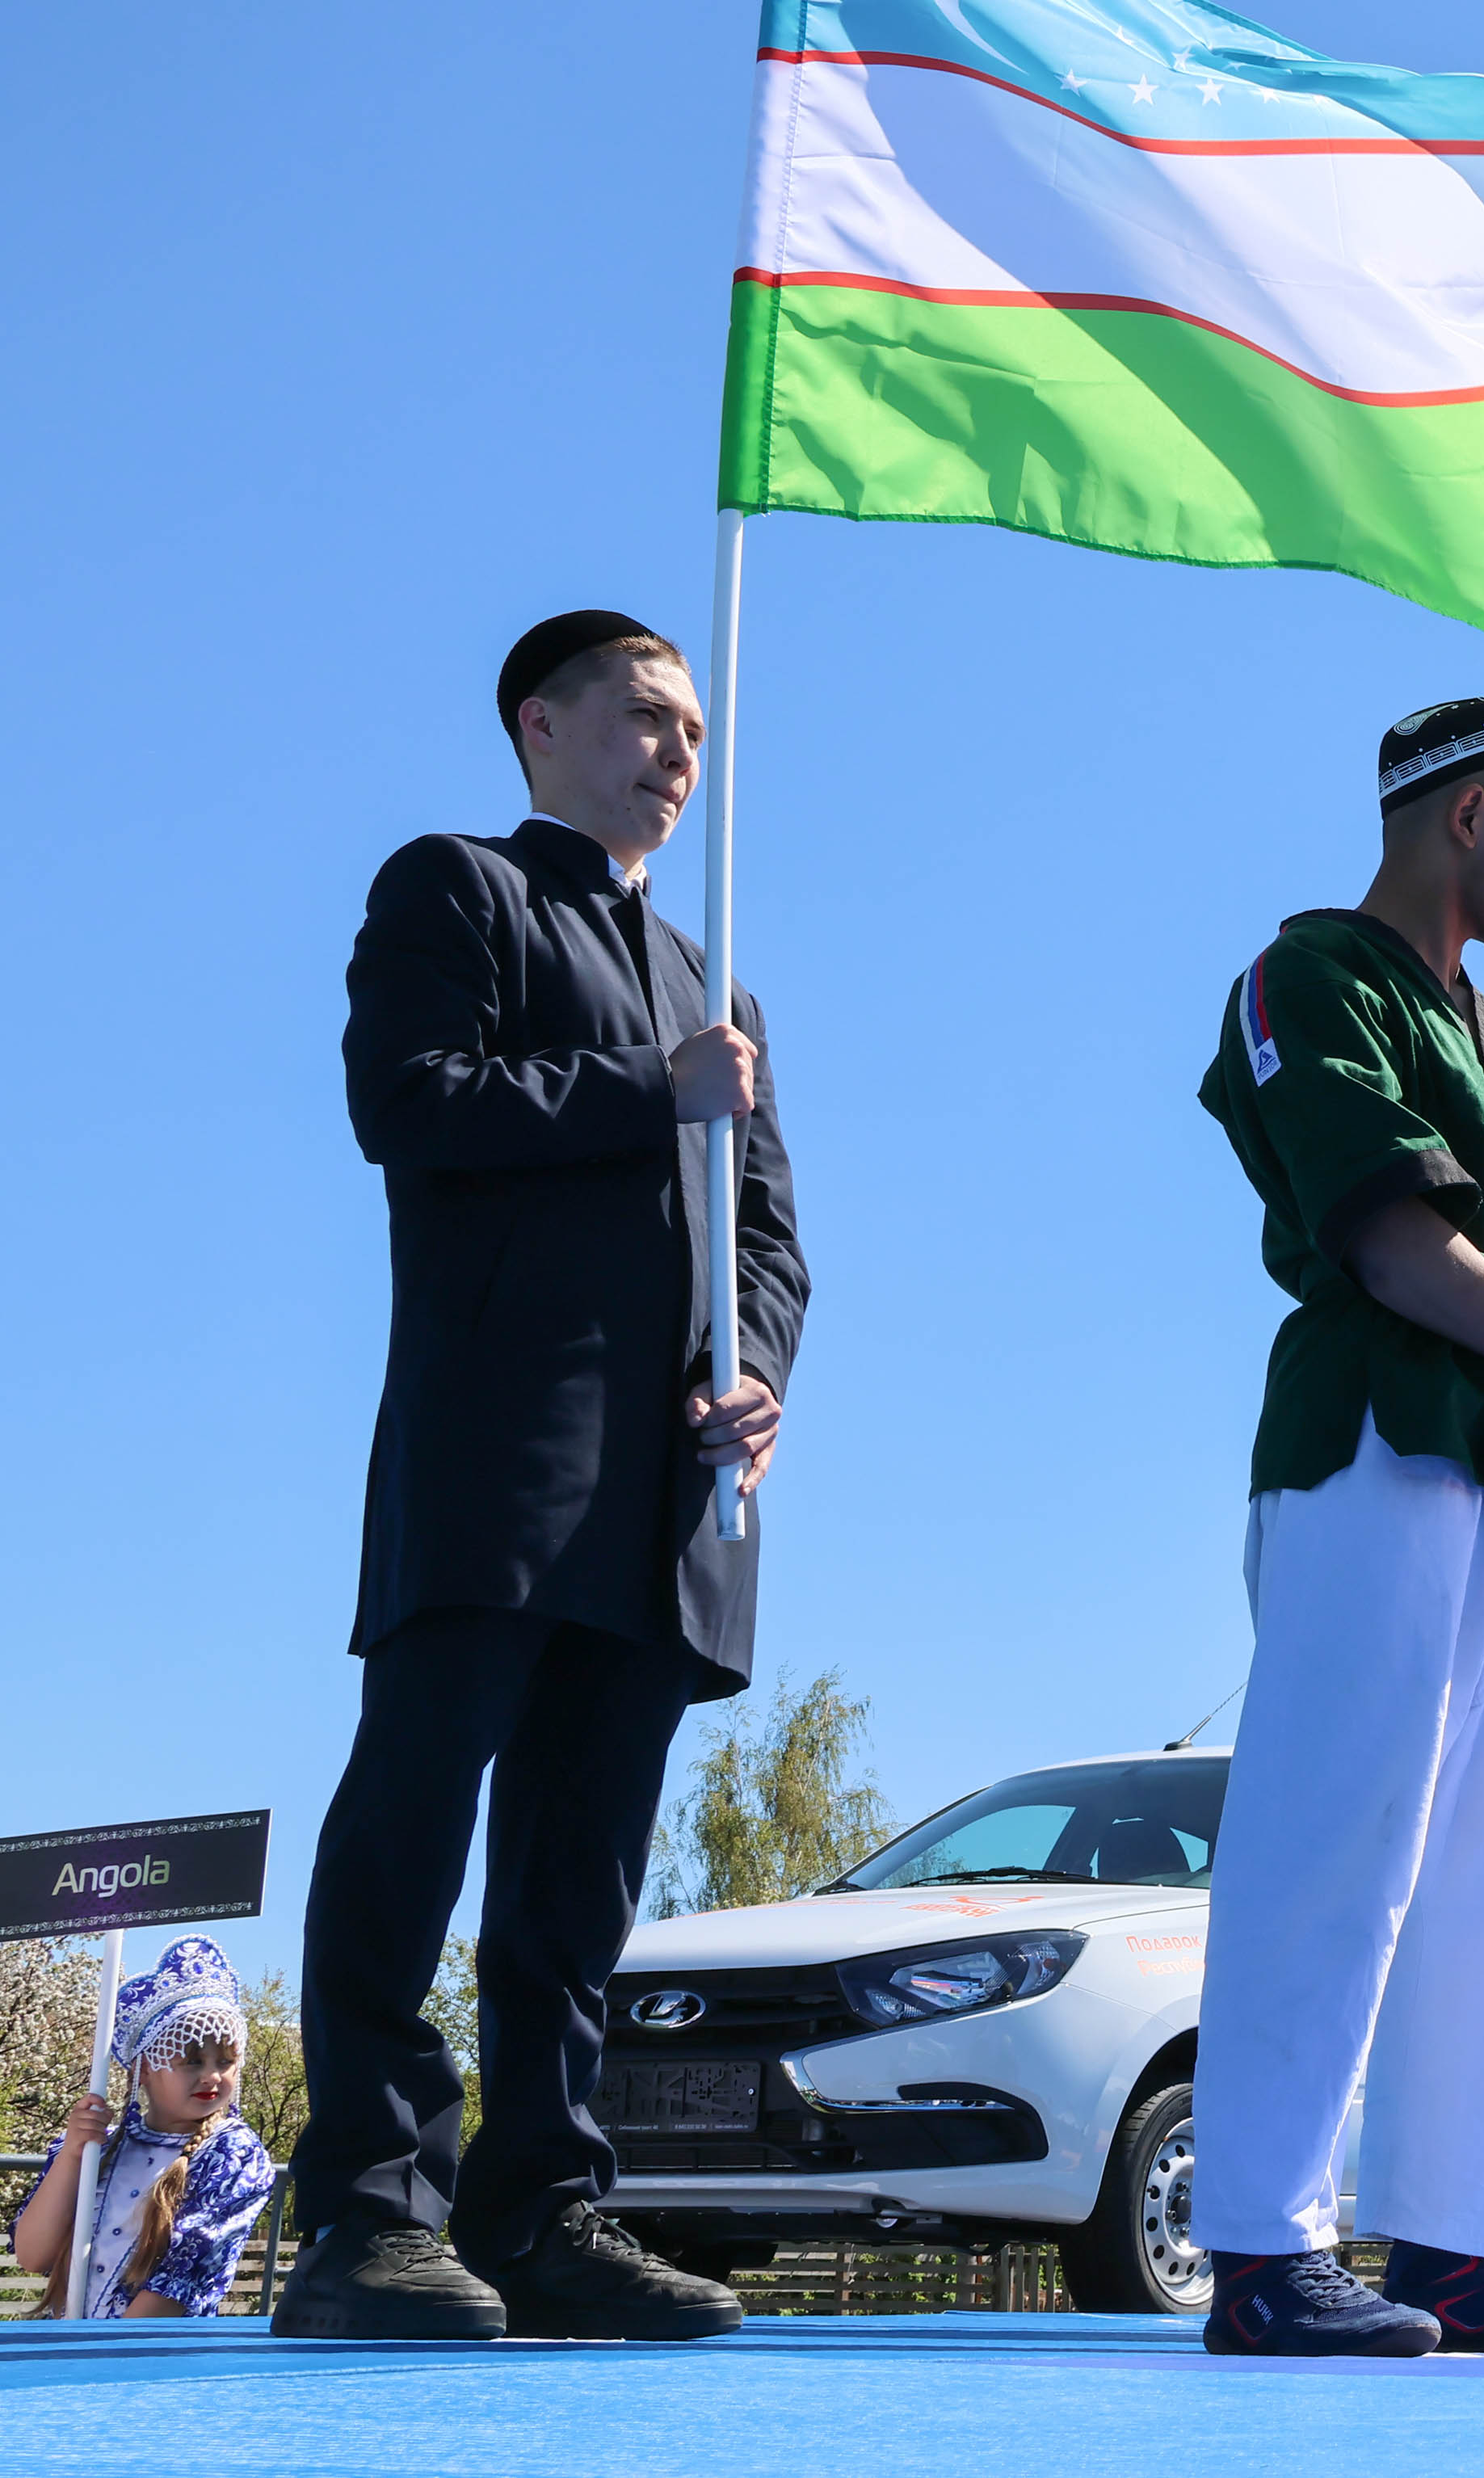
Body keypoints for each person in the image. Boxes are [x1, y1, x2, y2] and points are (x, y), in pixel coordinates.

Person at [278, 612, 808, 2344]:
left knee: (582, 1868)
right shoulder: (458, 889)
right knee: (414, 1816)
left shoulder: (719, 991)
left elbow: (773, 1241)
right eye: (646, 716)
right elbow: (409, 1102)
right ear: (539, 725)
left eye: (695, 731)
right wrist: (653, 1089)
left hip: (669, 1499)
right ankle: (369, 2213)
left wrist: (757, 1373)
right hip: (502, 1455)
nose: (678, 754)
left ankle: (542, 2207)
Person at [1185, 699, 1484, 2359]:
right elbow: (1386, 1236)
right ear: (1466, 817)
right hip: (1373, 1446)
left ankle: (1454, 2239)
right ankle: (1263, 2244)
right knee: (1335, 1837)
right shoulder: (1309, 971)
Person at [10, 1940, 278, 2318]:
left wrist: (101, 2349)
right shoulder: (101, 2148)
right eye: (192, 2061)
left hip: (151, 2348)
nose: (212, 2076)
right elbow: (33, 2255)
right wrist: (72, 2155)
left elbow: (178, 2283)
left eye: (225, 2061)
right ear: (145, 2068)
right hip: (73, 2343)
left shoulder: (231, 2155)